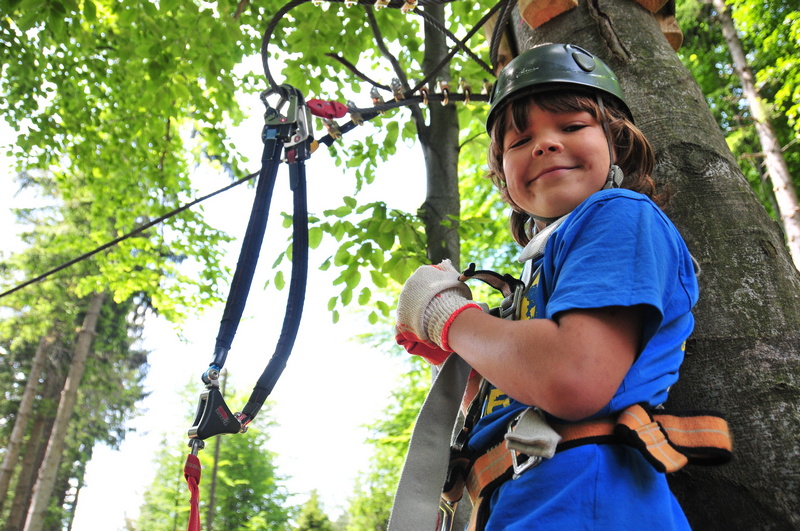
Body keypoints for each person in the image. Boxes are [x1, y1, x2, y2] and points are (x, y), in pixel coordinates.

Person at [394, 43, 708, 529]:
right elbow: (533, 388)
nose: (544, 143)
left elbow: (573, 375)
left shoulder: (620, 215)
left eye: (572, 126)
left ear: (617, 142)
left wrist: (452, 322)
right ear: (503, 175)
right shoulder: (541, 272)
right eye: (519, 142)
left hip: (587, 503)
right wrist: (475, 363)